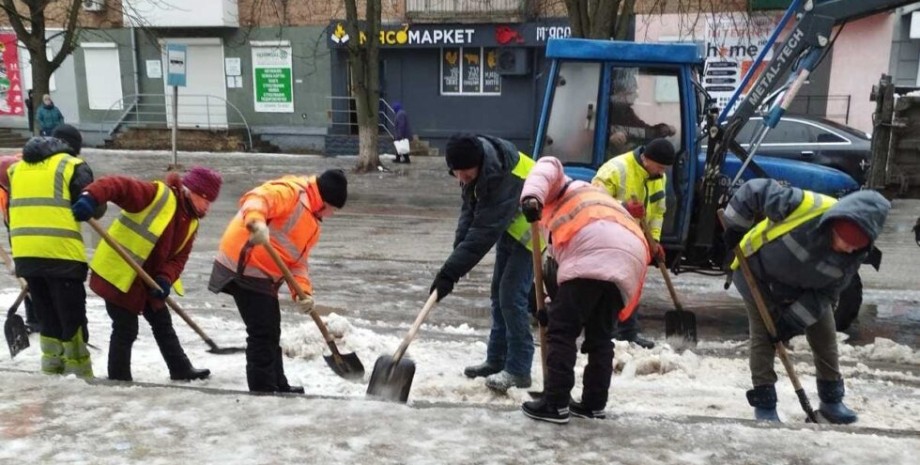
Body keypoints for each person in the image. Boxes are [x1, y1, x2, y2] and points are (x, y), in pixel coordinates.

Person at [722, 179, 890, 424]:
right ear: (835, 223)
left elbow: (826, 295)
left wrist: (792, 322)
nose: (845, 247)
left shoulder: (855, 256)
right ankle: (765, 406)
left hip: (807, 289)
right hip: (758, 276)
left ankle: (832, 401)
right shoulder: (805, 206)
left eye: (853, 245)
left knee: (825, 335)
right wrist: (735, 228)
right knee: (764, 337)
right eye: (843, 238)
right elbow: (754, 190)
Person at [518, 156, 650, 424]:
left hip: (595, 251)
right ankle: (593, 404)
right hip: (629, 256)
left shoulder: (564, 187)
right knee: (600, 337)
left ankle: (555, 403)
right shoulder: (595, 200)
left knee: (562, 332)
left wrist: (530, 197)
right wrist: (546, 304)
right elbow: (557, 271)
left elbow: (547, 165)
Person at [71, 167, 222, 382]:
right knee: (125, 327)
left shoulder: (191, 221)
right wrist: (91, 197)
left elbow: (178, 259)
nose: (207, 206)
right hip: (119, 274)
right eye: (206, 199)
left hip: (148, 280)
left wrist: (165, 278)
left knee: (163, 323)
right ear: (192, 191)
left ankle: (180, 368)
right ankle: (119, 378)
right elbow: (117, 185)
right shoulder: (156, 195)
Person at [208, 169, 347, 394]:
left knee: (271, 330)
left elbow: (298, 263)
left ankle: (277, 385)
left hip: (264, 277)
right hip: (242, 266)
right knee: (262, 331)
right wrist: (256, 223)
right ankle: (263, 390)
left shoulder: (313, 222)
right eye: (334, 209)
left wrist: (303, 293)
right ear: (326, 201)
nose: (332, 214)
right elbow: (256, 199)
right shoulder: (292, 192)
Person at [431, 133, 539, 392]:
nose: (461, 180)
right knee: (498, 294)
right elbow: (470, 212)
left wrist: (451, 273)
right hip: (511, 228)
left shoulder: (504, 177)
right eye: (456, 174)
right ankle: (496, 360)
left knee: (511, 296)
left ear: (479, 163)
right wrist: (457, 255)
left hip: (536, 231)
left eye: (465, 175)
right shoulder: (478, 171)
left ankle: (519, 370)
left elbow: (483, 232)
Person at [6, 125, 101, 377]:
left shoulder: (17, 168)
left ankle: (52, 368)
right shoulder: (72, 165)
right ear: (73, 146)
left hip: (26, 252)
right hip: (61, 253)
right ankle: (80, 373)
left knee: (46, 314)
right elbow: (96, 207)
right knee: (72, 316)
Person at [591, 138, 676, 349]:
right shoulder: (615, 169)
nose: (662, 171)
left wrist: (654, 240)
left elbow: (657, 211)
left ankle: (629, 333)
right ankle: (607, 334)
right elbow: (592, 202)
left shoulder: (659, 176)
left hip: (635, 239)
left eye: (665, 168)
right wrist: (623, 207)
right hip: (609, 237)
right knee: (611, 287)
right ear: (646, 159)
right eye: (660, 166)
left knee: (633, 284)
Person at [0, 154, 40, 333]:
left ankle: (45, 318)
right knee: (24, 277)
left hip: (32, 232)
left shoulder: (28, 178)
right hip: (13, 230)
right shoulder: (3, 182)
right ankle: (34, 319)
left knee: (37, 276)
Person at [607, 68, 675, 159]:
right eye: (632, 92)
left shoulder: (626, 113)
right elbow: (589, 139)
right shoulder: (604, 110)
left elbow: (642, 131)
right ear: (620, 94)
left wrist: (661, 130)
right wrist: (609, 139)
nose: (636, 95)